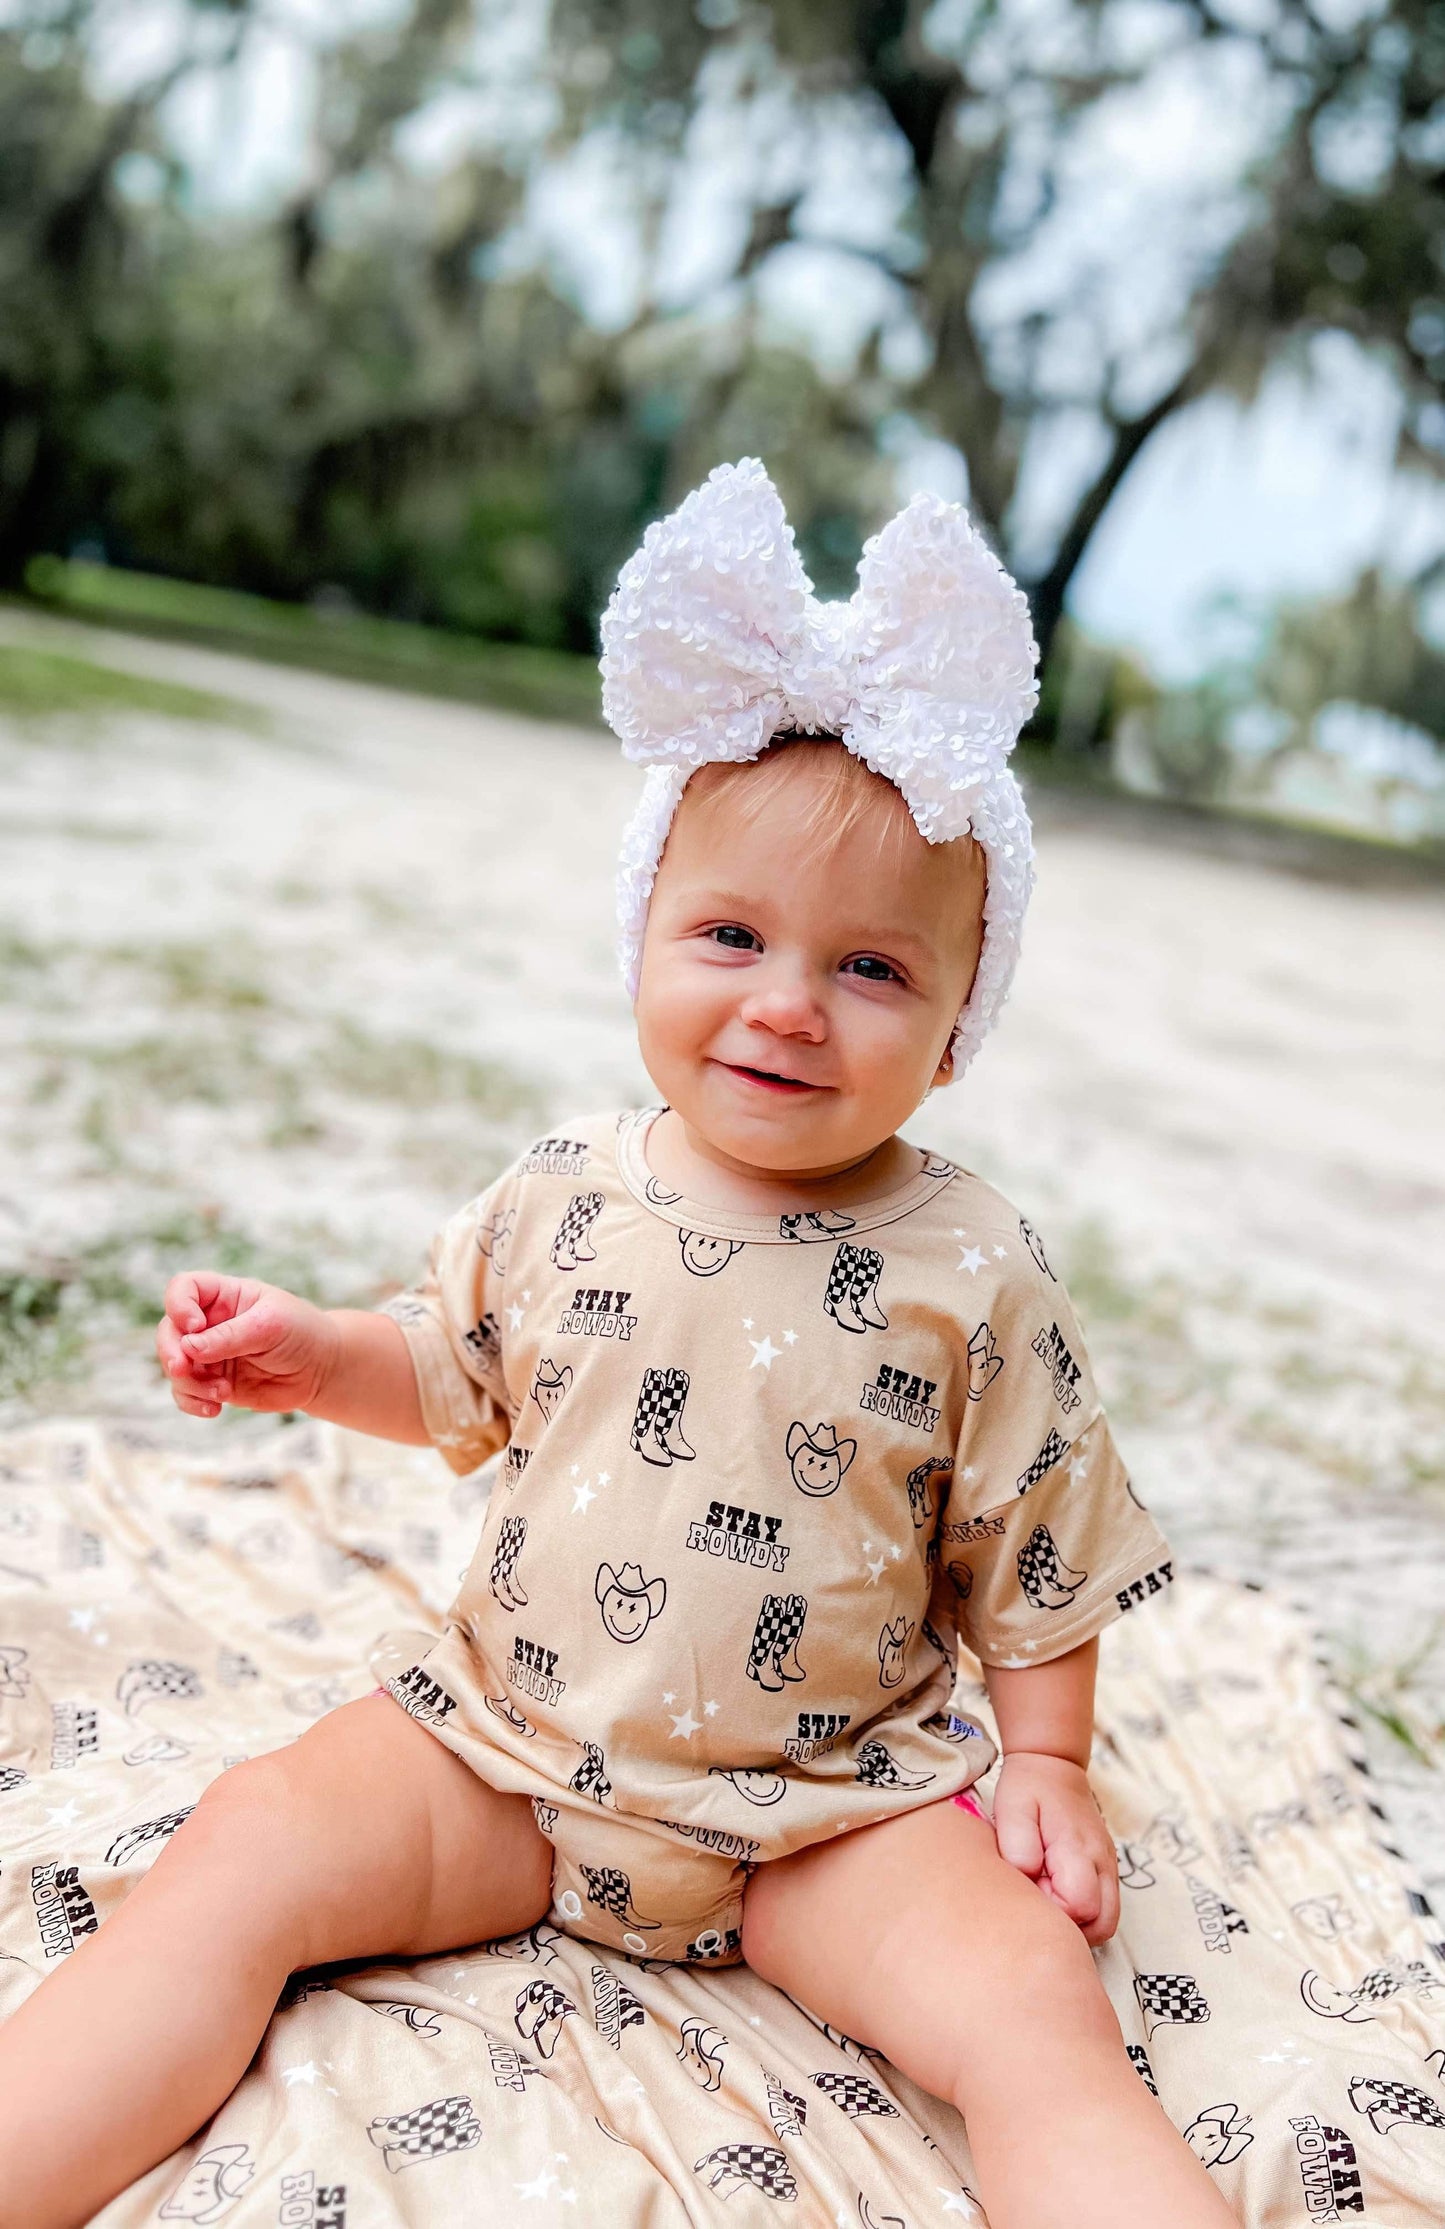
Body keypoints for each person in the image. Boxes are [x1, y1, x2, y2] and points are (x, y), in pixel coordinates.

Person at [0, 461, 1234, 2229]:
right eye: (729, 935)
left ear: (959, 1017)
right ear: (643, 932)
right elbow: (453, 1366)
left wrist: (1043, 1763)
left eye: (871, 969)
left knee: (1032, 2002)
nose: (786, 1003)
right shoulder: (567, 1187)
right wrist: (313, 1353)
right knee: (245, 1845)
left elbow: (1039, 1541)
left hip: (829, 1813)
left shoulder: (972, 1264)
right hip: (505, 1754)